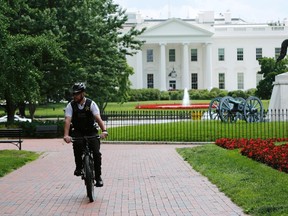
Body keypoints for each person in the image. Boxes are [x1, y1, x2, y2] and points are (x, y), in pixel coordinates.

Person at [63, 82, 108, 187]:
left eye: (77, 94)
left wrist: (104, 130)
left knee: (96, 154)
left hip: (91, 130)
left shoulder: (91, 104)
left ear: (82, 94)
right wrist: (66, 135)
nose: (75, 96)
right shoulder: (71, 105)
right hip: (78, 131)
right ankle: (79, 167)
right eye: (73, 94)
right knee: (77, 146)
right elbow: (67, 120)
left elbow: (98, 118)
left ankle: (98, 177)